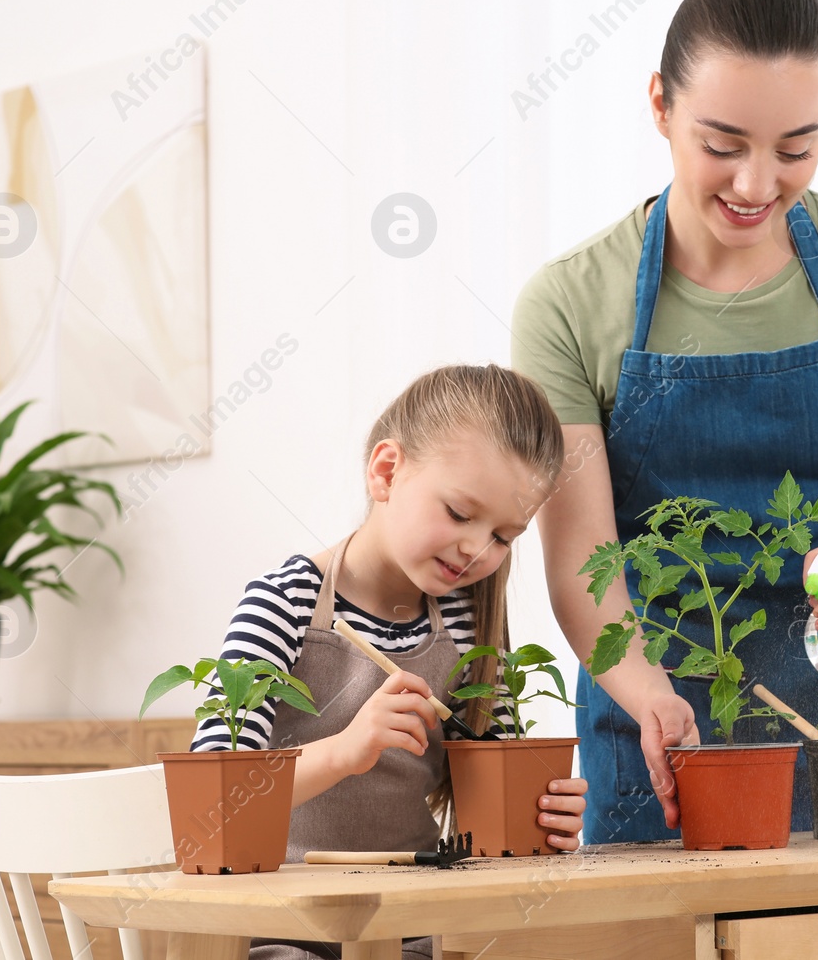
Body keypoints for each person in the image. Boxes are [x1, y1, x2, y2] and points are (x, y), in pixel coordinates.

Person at [512, 0, 818, 843]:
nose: (756, 183)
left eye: (795, 148)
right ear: (659, 105)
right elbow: (583, 556)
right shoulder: (571, 301)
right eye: (722, 143)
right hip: (658, 731)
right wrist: (652, 698)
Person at [189, 364, 589, 960]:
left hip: (417, 928)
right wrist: (343, 751)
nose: (477, 549)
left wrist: (543, 814)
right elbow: (212, 802)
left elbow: (491, 803)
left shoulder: (465, 624)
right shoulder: (285, 602)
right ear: (387, 471)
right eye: (459, 513)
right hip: (288, 930)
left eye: (504, 536)